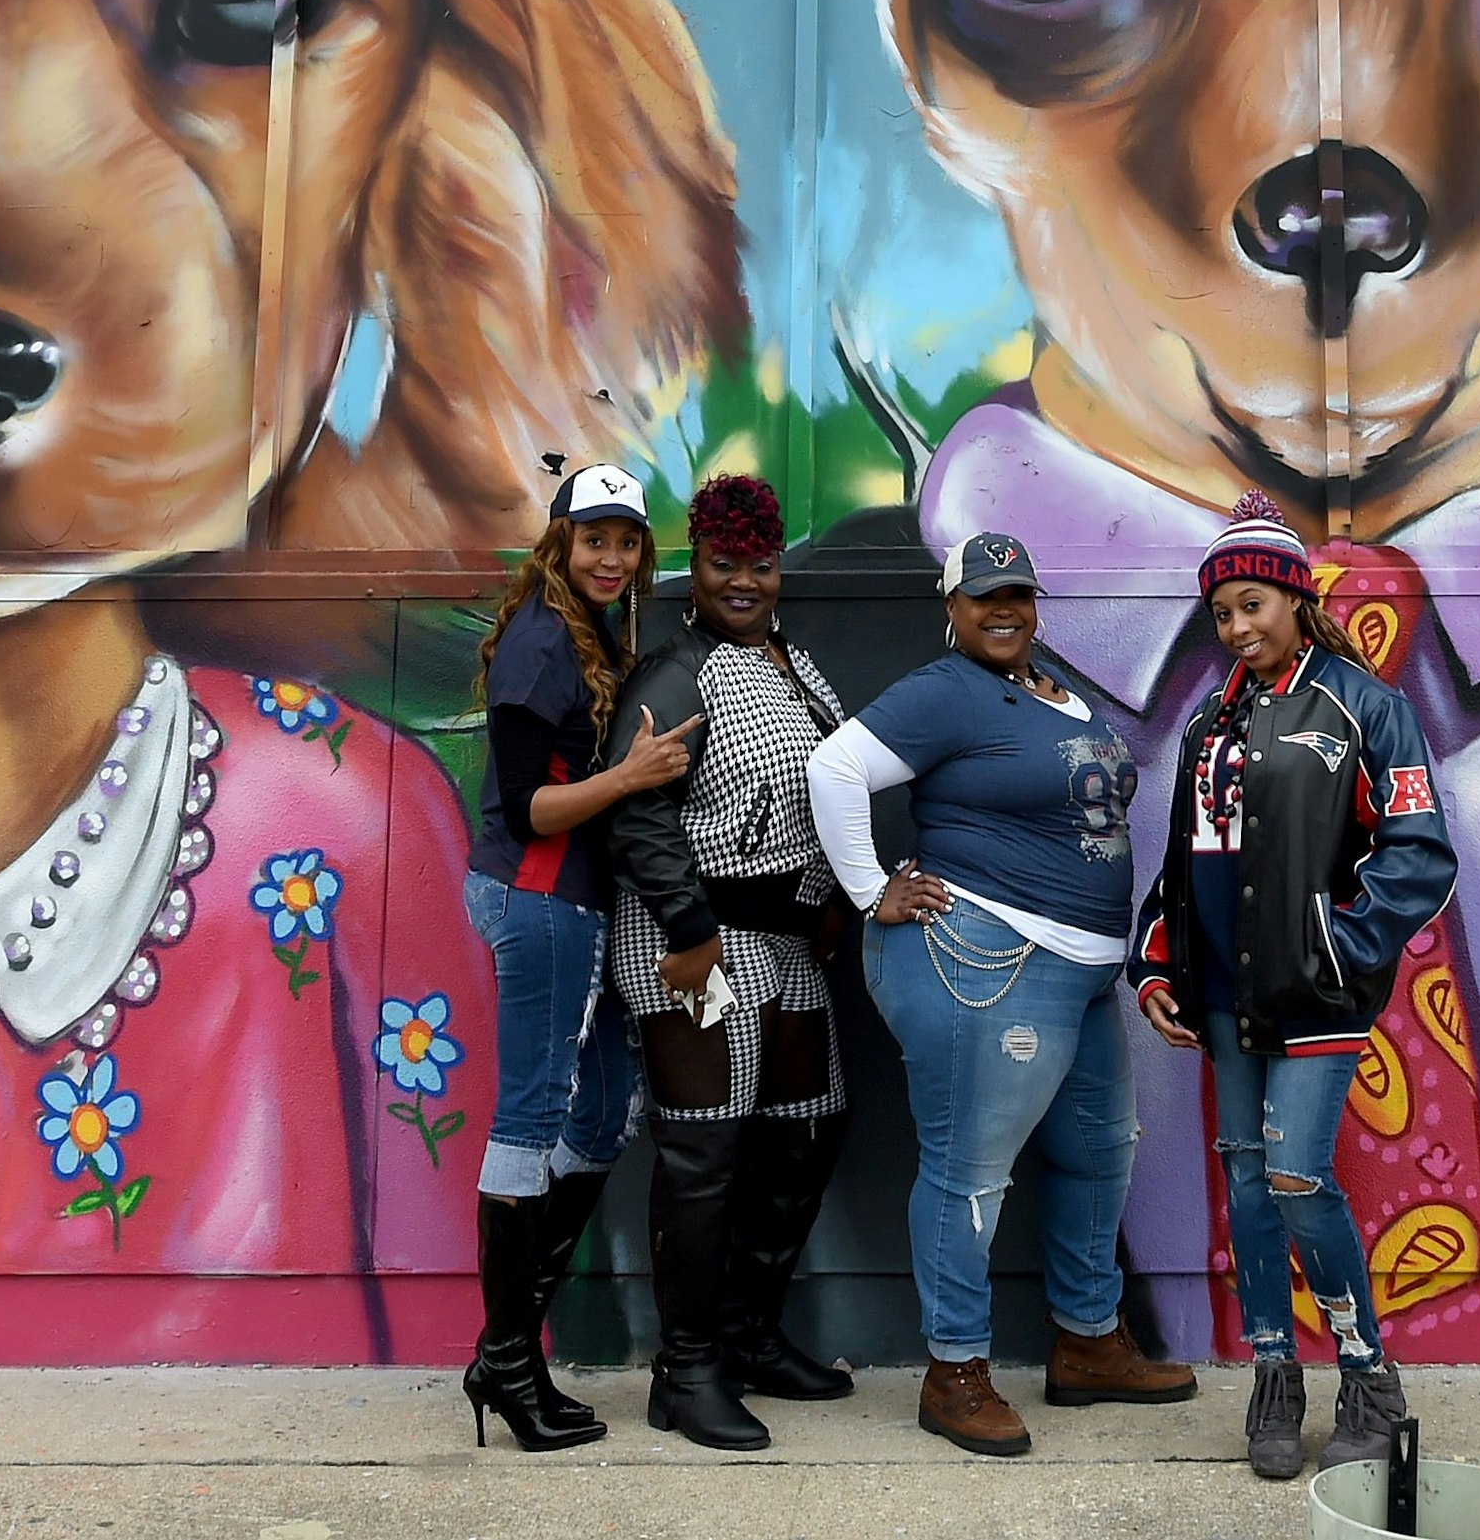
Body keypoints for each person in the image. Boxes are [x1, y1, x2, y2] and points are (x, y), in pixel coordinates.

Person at [807, 530, 1197, 1457]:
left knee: (1099, 1153)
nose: (1003, 609)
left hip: (1083, 971)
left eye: (1016, 591)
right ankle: (954, 1371)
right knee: (969, 1171)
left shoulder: (1048, 685)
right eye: (983, 595)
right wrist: (871, 890)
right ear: (952, 606)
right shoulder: (946, 690)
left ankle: (1090, 1343)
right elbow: (836, 767)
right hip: (987, 958)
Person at [1128, 494, 1459, 1480]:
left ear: (1293, 596)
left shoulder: (1368, 707)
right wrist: (1157, 959)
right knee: (1245, 1185)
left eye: (1250, 604)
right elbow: (1185, 859)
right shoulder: (1207, 722)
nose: (1236, 626)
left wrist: (1339, 944)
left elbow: (1420, 851)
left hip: (1318, 993)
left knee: (1296, 1176)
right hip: (1223, 995)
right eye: (1221, 613)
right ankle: (1277, 1371)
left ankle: (1368, 1371)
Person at [597, 473, 857, 1450]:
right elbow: (638, 810)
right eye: (724, 563)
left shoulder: (796, 662)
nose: (745, 580)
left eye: (760, 562)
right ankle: (686, 1368)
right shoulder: (678, 670)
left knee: (806, 1129)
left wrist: (832, 896)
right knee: (705, 1147)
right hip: (693, 936)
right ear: (693, 568)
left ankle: (746, 1335)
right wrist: (687, 926)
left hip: (783, 938)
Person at [460, 462, 692, 1450]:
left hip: (576, 903)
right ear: (559, 542)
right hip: (540, 896)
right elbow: (528, 807)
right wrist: (633, 774)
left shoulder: (593, 632)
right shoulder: (541, 641)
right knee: (531, 1113)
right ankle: (512, 1360)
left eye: (626, 539)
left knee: (602, 1111)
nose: (610, 555)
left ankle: (505, 1347)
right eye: (592, 536)